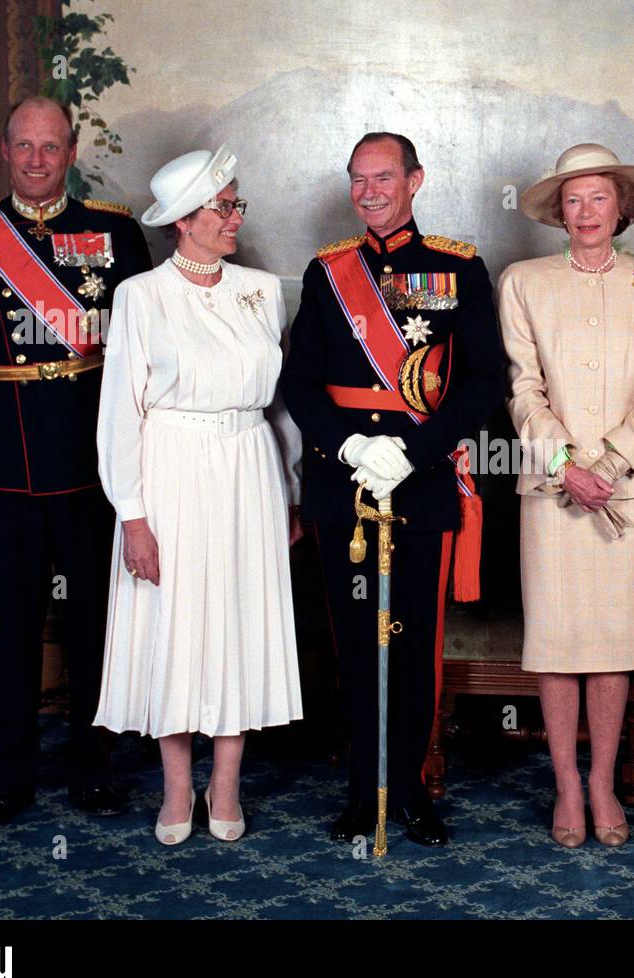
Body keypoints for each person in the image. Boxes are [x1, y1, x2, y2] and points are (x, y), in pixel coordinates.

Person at [0, 96, 152, 826]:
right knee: (14, 623)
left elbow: (144, 357)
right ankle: (5, 777)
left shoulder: (114, 231)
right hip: (3, 459)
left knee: (93, 627)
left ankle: (93, 767)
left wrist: (149, 466)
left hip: (92, 457)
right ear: (5, 149)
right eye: (25, 146)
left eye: (51, 147)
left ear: (71, 151)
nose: (38, 160)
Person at [280, 132, 503, 847]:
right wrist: (350, 446)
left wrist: (411, 451)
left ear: (415, 181)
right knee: (353, 641)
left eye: (383, 177)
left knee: (413, 643)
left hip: (422, 481)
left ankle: (409, 787)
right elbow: (299, 381)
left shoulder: (458, 268)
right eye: (358, 179)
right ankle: (360, 789)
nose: (369, 191)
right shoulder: (327, 273)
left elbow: (484, 383)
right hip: (342, 483)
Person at [93, 146, 304, 845]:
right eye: (225, 205)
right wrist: (134, 516)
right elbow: (122, 412)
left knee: (237, 619)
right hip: (172, 469)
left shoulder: (261, 289)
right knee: (176, 625)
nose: (236, 216)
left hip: (249, 469)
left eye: (236, 202)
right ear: (184, 221)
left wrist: (293, 490)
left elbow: (281, 407)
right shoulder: (140, 297)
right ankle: (178, 785)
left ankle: (228, 782)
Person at [499, 144, 634, 847]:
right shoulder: (522, 281)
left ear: (623, 207)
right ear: (557, 210)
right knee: (557, 642)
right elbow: (523, 387)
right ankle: (566, 786)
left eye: (599, 198)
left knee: (612, 645)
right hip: (554, 490)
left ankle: (603, 779)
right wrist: (569, 464)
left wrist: (610, 464)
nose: (586, 212)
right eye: (573, 200)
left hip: (632, 492)